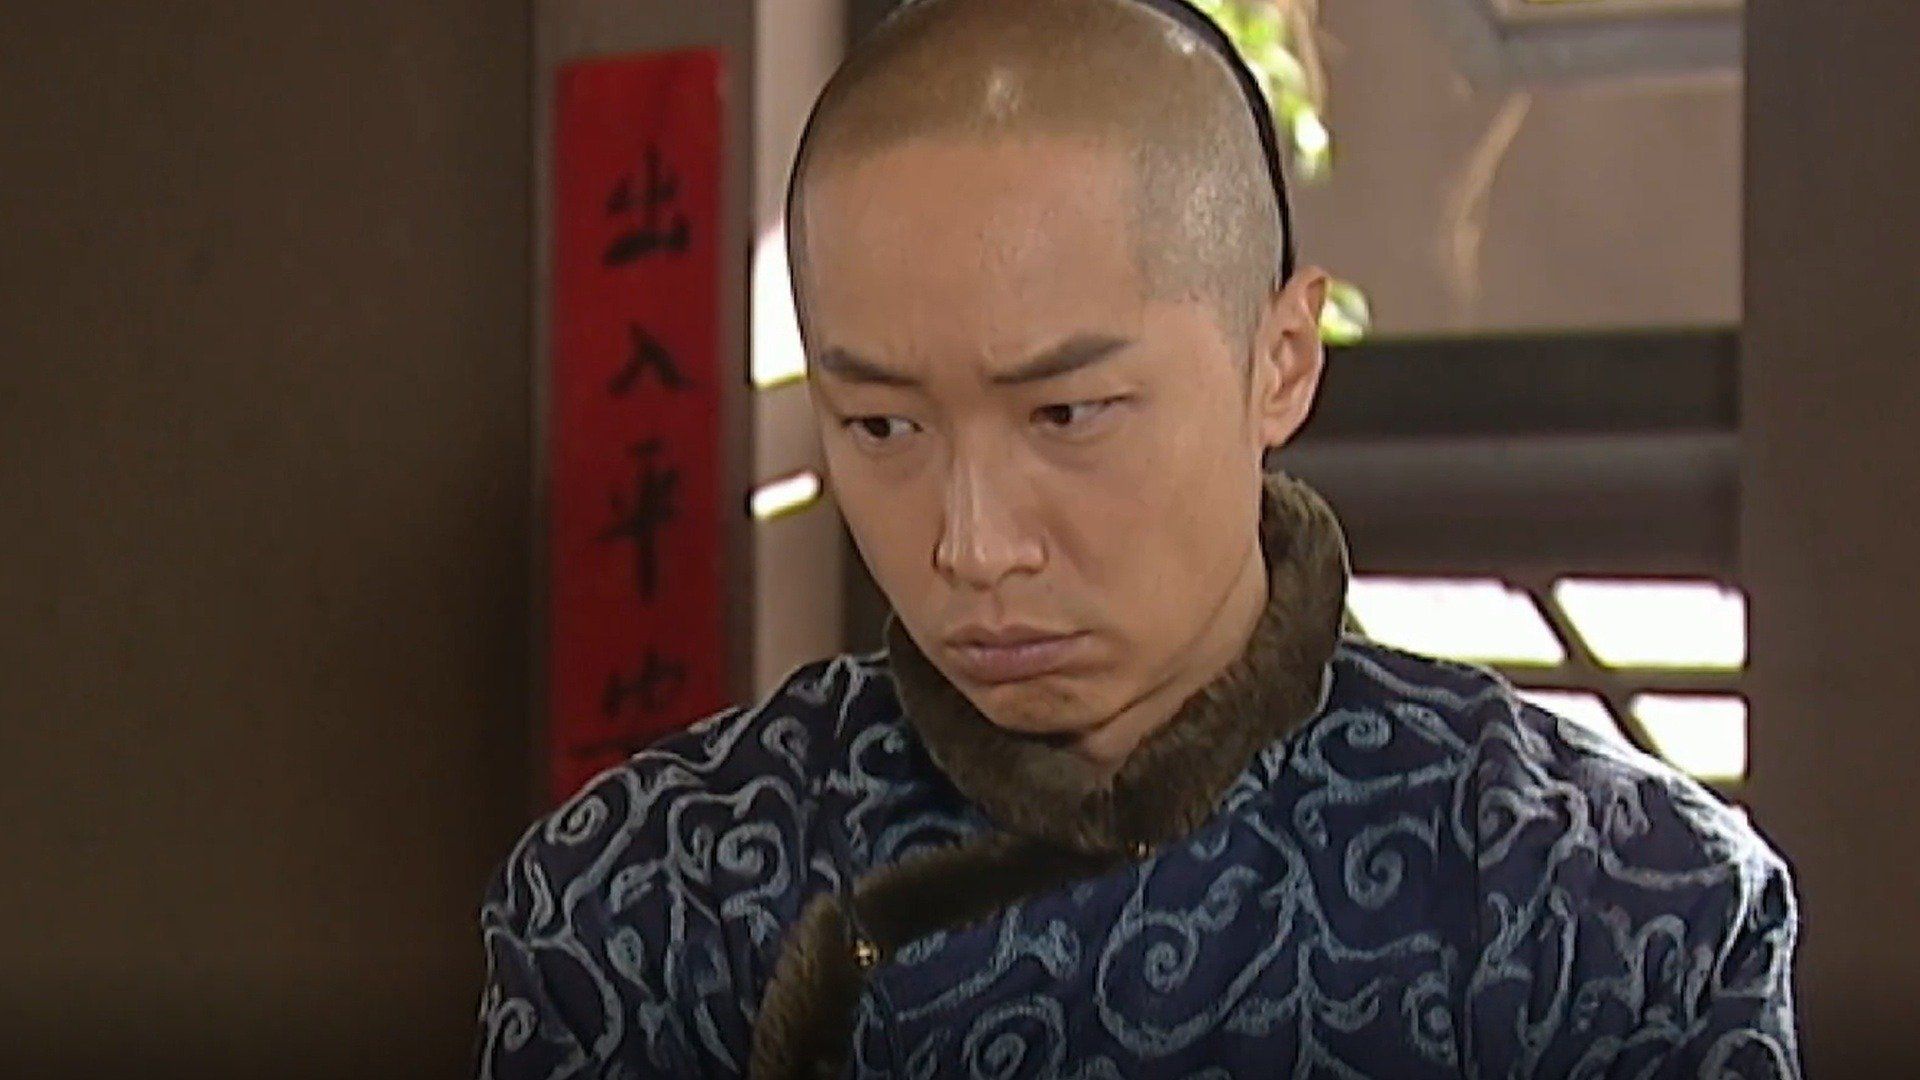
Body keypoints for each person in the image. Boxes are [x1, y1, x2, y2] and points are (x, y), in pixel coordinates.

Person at [474, 0, 1801, 1075]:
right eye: (882, 426)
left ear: (1280, 361)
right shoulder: (650, 896)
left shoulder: (1606, 903)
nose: (974, 546)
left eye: (1067, 413)